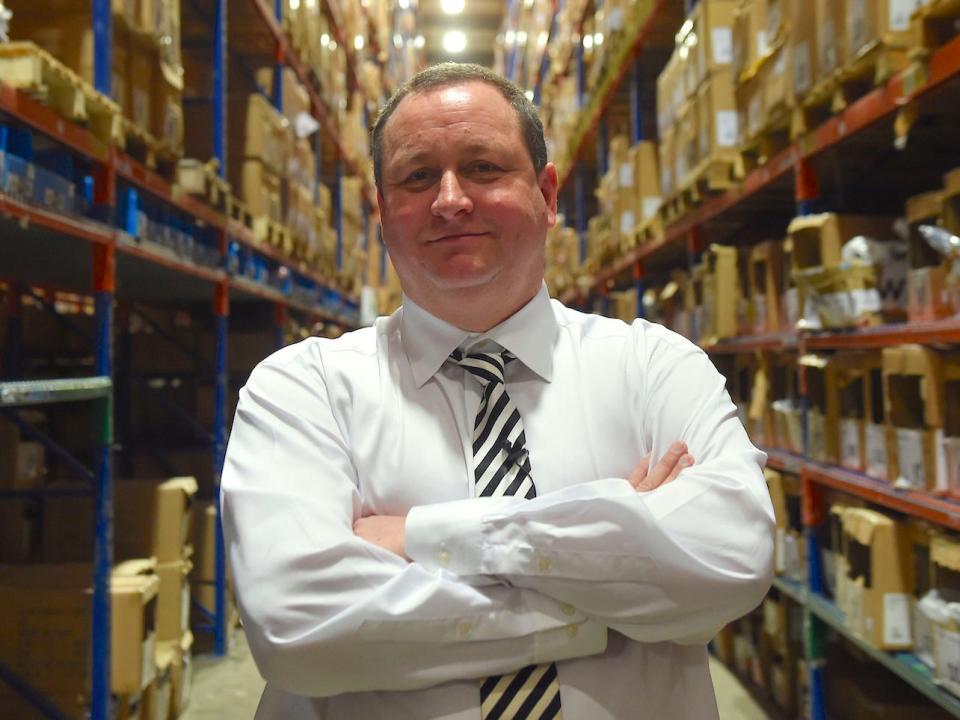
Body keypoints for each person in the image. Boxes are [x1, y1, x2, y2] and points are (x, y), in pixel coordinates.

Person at [221, 62, 774, 719]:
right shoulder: (301, 388)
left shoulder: (650, 364)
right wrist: (609, 564)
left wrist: (423, 538)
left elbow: (732, 557)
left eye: (484, 167)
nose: (450, 200)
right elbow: (298, 628)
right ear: (380, 211)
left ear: (547, 192)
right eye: (416, 175)